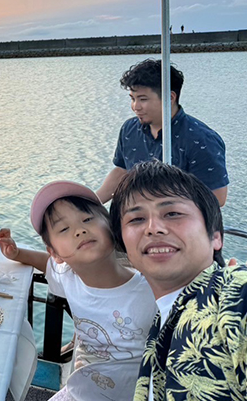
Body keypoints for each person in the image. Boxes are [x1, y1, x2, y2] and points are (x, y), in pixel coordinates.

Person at [0, 181, 156, 401]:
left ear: (111, 225)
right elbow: (47, 264)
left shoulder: (150, 290)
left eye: (87, 219)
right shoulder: (70, 277)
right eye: (64, 229)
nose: (80, 230)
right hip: (79, 393)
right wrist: (16, 254)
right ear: (55, 252)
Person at [108, 160, 247, 400]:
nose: (153, 228)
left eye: (173, 213)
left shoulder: (234, 294)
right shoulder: (160, 327)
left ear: (216, 237)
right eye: (136, 219)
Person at [96, 59, 228, 206]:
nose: (135, 107)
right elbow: (122, 172)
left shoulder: (202, 139)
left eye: (143, 99)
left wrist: (163, 206)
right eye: (133, 99)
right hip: (136, 215)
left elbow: (217, 196)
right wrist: (91, 203)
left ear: (170, 98)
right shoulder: (129, 129)